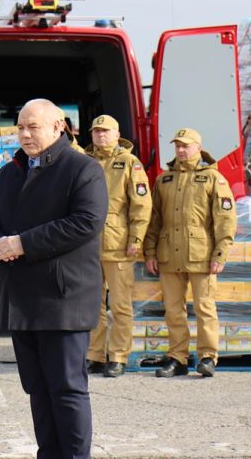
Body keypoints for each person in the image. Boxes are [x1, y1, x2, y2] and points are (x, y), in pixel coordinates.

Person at [0, 98, 108, 459]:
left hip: (62, 297)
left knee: (66, 389)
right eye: (20, 127)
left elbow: (86, 222)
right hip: (22, 296)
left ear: (57, 127)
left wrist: (22, 243)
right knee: (37, 388)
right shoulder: (9, 172)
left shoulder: (83, 169)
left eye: (32, 126)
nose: (24, 134)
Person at [143, 128, 236, 378]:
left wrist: (220, 254)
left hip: (201, 255)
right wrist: (150, 252)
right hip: (168, 254)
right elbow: (154, 220)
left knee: (205, 307)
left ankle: (207, 357)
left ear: (198, 147)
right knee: (173, 309)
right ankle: (177, 358)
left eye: (186, 145)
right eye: (177, 146)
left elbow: (225, 219)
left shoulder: (213, 178)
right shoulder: (164, 180)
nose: (181, 150)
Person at [84, 115, 151, 377]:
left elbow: (141, 205)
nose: (101, 135)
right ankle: (95, 354)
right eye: (96, 131)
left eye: (105, 131)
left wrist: (136, 239)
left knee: (120, 304)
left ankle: (119, 356)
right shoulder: (85, 162)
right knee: (92, 304)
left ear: (117, 133)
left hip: (118, 244)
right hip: (88, 244)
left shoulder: (129, 163)